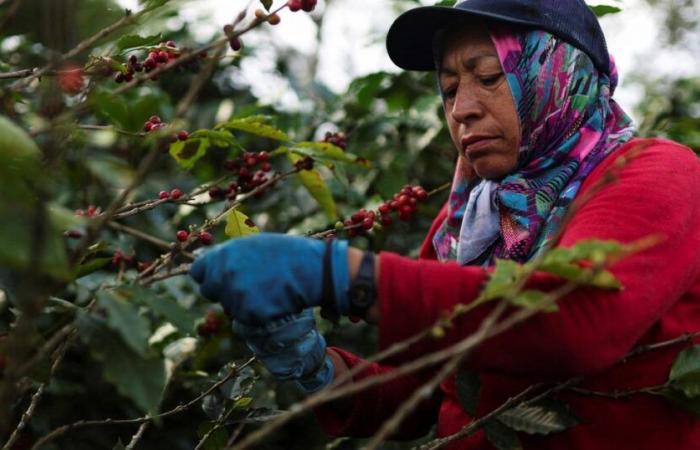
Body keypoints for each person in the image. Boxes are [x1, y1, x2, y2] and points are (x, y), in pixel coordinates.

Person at [189, 0, 700, 448]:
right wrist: (320, 370)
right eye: (450, 87)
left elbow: (575, 320)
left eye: (489, 77)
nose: (462, 110)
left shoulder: (655, 173)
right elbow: (441, 392)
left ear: (555, 70)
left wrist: (347, 277)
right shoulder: (471, 218)